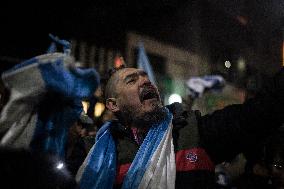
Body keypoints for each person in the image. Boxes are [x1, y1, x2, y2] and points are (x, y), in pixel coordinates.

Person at [76, 65, 284, 189]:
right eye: (132, 80)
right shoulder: (93, 153)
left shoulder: (193, 132)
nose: (146, 81)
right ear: (113, 104)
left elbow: (261, 112)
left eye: (146, 77)